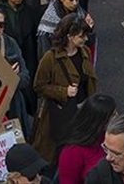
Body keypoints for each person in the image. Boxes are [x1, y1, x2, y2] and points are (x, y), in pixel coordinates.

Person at [32, 14, 97, 162]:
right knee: (60, 153)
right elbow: (39, 86)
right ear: (70, 36)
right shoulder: (50, 58)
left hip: (83, 111)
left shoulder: (85, 52)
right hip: (61, 114)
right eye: (82, 36)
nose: (86, 39)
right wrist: (63, 91)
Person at [57, 93, 116, 184]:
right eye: (112, 116)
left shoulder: (113, 136)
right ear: (99, 121)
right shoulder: (72, 152)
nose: (117, 117)